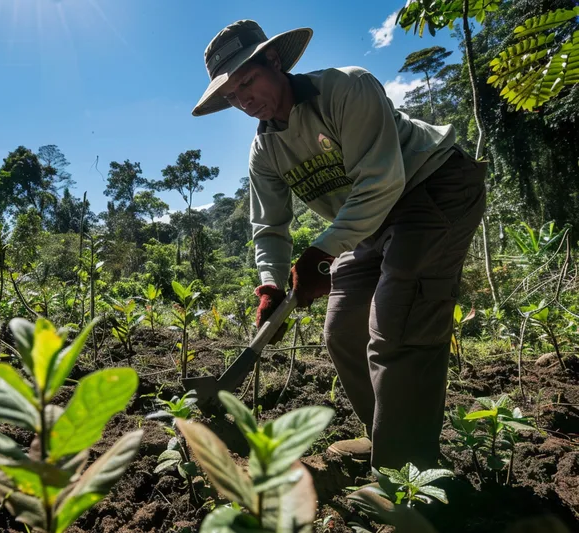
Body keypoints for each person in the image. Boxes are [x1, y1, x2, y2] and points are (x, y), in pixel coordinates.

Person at [191, 19, 487, 471]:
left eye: (247, 81)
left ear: (274, 61)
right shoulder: (265, 150)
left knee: (398, 326)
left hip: (431, 186)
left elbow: (383, 180)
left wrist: (320, 252)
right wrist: (271, 285)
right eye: (232, 96)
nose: (244, 100)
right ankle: (391, 438)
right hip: (366, 221)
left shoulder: (347, 88)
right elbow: (269, 226)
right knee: (343, 330)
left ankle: (405, 477)